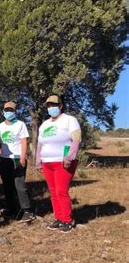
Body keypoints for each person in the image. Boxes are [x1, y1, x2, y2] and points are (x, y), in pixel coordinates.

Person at [36, 95, 80, 233]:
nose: (51, 108)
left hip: (63, 162)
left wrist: (69, 157)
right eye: (49, 106)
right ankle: (59, 218)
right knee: (54, 192)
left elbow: (77, 139)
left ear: (60, 106)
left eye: (54, 105)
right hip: (47, 162)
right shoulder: (45, 124)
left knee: (61, 191)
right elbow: (40, 143)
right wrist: (38, 161)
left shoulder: (69, 120)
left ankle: (67, 220)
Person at [0, 101, 35, 222]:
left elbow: (24, 142)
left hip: (17, 158)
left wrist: (23, 158)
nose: (9, 112)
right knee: (7, 186)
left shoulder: (20, 124)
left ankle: (27, 211)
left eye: (11, 110)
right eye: (6, 110)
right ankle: (12, 209)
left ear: (15, 112)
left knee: (20, 186)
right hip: (4, 159)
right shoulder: (0, 126)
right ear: (3, 112)